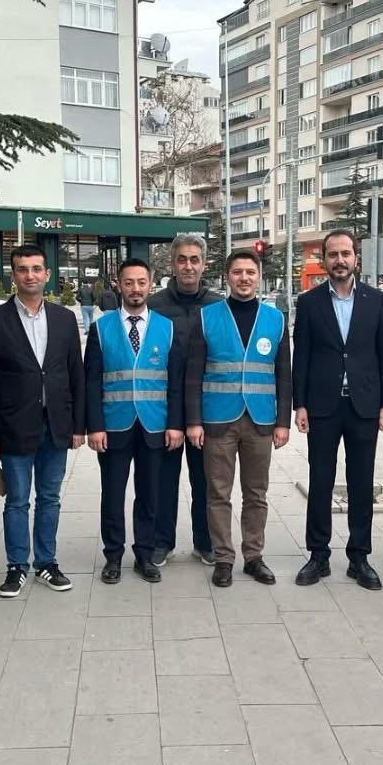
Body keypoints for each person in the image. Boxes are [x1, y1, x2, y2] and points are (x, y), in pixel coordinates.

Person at [0, 244, 84, 597]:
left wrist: (78, 426)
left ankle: (47, 563)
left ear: (47, 274)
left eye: (37, 269)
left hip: (57, 425)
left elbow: (75, 375)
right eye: (23, 269)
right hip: (13, 426)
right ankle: (16, 566)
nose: (30, 275)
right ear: (13, 275)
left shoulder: (64, 319)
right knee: (18, 500)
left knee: (50, 498)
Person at [293, 230, 383, 591]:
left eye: (345, 254)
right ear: (324, 259)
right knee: (320, 480)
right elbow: (301, 356)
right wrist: (299, 403)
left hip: (363, 406)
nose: (339, 260)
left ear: (356, 258)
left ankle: (359, 557)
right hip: (322, 406)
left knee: (361, 483)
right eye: (333, 254)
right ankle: (318, 555)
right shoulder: (309, 303)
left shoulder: (376, 301)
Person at [186, 249, 291, 588]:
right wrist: (194, 421)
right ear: (227, 277)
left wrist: (283, 422)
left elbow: (284, 374)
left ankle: (253, 556)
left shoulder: (275, 319)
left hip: (261, 420)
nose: (244, 278)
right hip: (218, 420)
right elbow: (193, 373)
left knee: (256, 493)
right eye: (237, 272)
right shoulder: (206, 317)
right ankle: (223, 558)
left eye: (250, 272)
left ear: (258, 277)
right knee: (218, 493)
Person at [86, 258, 185, 584]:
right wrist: (94, 426)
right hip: (114, 426)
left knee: (150, 495)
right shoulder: (101, 328)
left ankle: (145, 554)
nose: (135, 288)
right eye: (128, 282)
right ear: (118, 284)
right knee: (112, 496)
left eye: (141, 282)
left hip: (155, 426)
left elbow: (175, 382)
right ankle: (113, 556)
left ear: (151, 284)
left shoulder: (166, 327)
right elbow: (92, 381)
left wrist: (175, 424)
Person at [150, 234, 223, 567]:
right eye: (182, 259)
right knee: (163, 480)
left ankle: (205, 542)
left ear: (204, 264)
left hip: (207, 409)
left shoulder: (218, 306)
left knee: (205, 481)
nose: (188, 266)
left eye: (195, 259)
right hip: (164, 408)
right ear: (172, 264)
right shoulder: (154, 305)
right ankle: (161, 542)